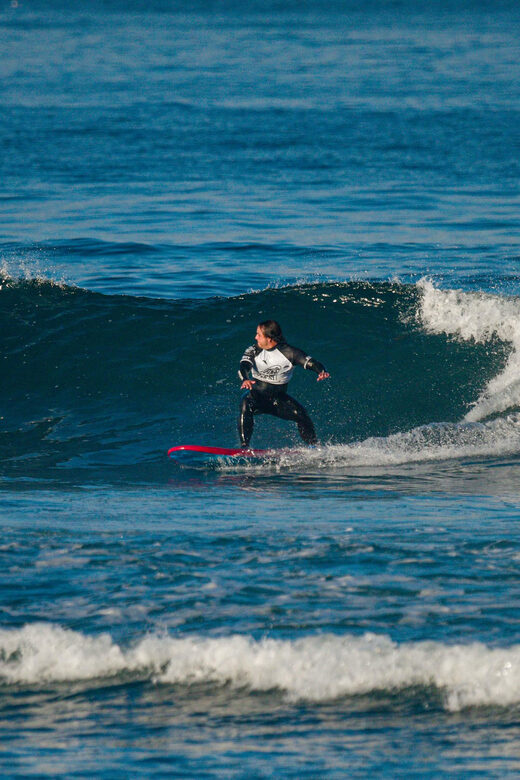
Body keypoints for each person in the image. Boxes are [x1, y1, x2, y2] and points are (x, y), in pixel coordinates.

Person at [238, 320, 330, 448]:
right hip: (256, 397)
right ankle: (244, 447)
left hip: (278, 400)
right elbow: (244, 366)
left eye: (259, 334)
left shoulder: (289, 352)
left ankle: (314, 447)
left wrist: (321, 371)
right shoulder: (253, 350)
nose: (255, 337)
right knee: (245, 403)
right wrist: (245, 379)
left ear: (269, 338)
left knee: (302, 415)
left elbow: (311, 363)